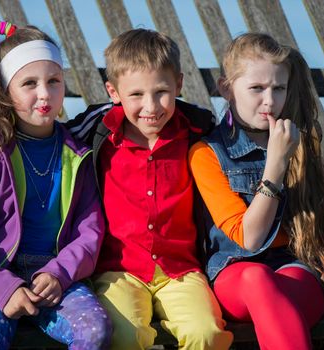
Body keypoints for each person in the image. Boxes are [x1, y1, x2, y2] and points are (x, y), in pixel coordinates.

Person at [188, 32, 324, 350]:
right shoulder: (206, 154)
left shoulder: (300, 147)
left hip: (296, 271)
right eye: (256, 88)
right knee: (256, 279)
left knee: (273, 291)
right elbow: (249, 239)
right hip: (234, 275)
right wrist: (275, 167)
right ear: (226, 88)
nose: (269, 100)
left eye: (279, 88)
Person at [0, 21, 112, 350]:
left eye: (54, 81)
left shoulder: (77, 157)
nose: (44, 93)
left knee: (94, 332)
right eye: (29, 83)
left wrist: (60, 273)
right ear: (6, 93)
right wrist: (3, 288)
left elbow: (90, 233)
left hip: (53, 278)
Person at [66, 29, 233, 350]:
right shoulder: (99, 132)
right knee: (124, 335)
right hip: (119, 270)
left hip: (180, 269)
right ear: (113, 92)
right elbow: (45, 140)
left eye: (161, 92)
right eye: (136, 95)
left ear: (179, 85)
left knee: (206, 334)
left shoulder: (198, 131)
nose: (151, 106)